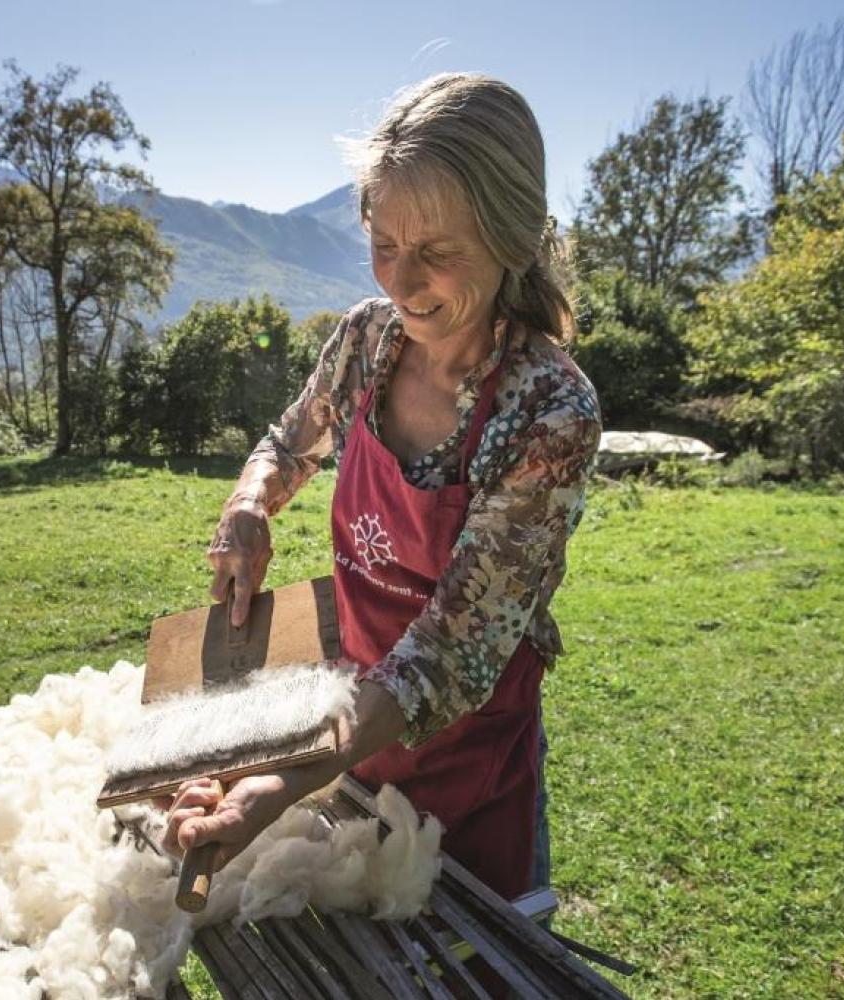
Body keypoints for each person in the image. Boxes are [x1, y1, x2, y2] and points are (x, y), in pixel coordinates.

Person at [163, 73, 601, 921]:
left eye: (436, 251)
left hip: (470, 769)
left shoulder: (548, 410)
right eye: (383, 243)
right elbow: (291, 440)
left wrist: (281, 776)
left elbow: (450, 652)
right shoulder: (367, 339)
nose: (402, 282)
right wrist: (250, 506)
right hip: (348, 740)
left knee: (472, 965)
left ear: (510, 237)